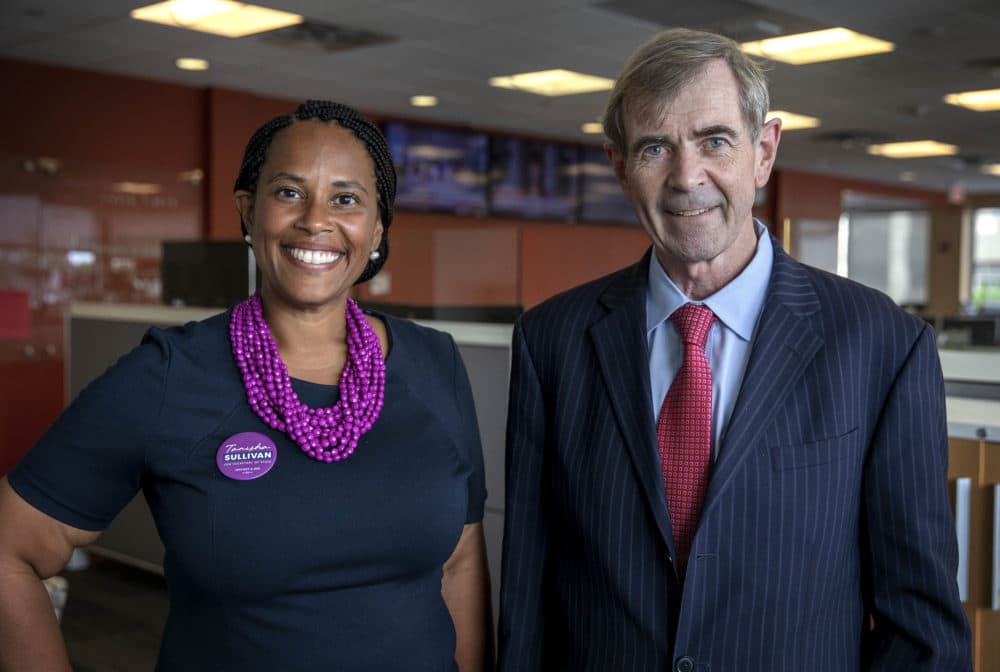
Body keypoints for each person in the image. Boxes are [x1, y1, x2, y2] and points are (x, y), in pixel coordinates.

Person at [498, 28, 971, 671]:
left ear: (764, 151)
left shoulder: (883, 346)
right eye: (655, 148)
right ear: (621, 167)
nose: (687, 177)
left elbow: (921, 628)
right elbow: (528, 590)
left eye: (714, 140)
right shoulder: (550, 341)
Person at [0, 100, 493, 672]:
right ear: (247, 209)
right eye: (288, 192)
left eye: (346, 198)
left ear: (377, 226)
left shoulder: (435, 362)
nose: (316, 219)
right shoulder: (171, 372)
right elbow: (11, 548)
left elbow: (460, 559)